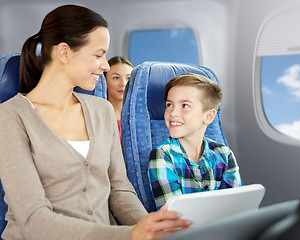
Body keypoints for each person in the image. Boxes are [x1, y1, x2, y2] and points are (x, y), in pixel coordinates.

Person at [0, 5, 190, 240]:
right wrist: (131, 235)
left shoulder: (102, 110)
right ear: (64, 52)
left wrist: (150, 228)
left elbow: (120, 190)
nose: (106, 65)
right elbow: (34, 219)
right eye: (99, 55)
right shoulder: (10, 116)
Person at [148, 73, 243, 209]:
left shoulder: (224, 154)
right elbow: (173, 215)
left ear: (209, 116)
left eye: (185, 105)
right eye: (169, 104)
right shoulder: (162, 155)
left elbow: (235, 206)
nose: (173, 112)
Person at [104, 56, 134, 141]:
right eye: (116, 78)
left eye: (128, 78)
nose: (123, 84)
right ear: (104, 81)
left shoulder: (139, 118)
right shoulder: (97, 116)